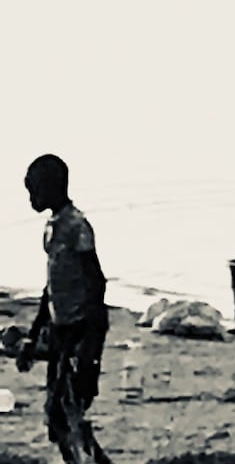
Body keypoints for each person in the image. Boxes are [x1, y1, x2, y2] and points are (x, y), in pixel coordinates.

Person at [17, 154, 111, 464]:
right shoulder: (51, 228)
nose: (31, 198)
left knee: (68, 409)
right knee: (58, 416)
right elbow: (52, 287)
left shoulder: (77, 226)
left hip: (82, 329)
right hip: (60, 330)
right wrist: (34, 335)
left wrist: (90, 341)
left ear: (52, 188)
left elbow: (96, 280)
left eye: (34, 191)